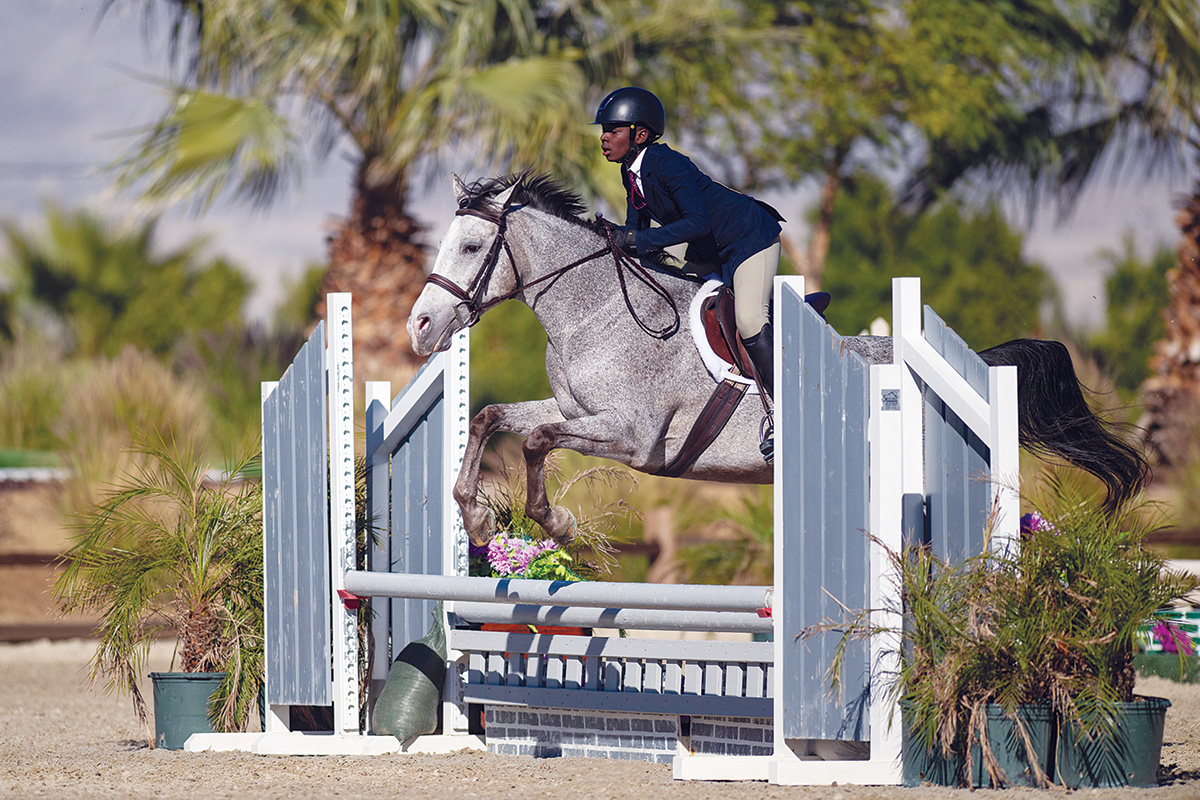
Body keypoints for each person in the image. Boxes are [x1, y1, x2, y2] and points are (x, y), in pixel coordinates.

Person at [594, 86, 783, 398]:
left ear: (640, 136)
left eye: (613, 130)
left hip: (748, 239)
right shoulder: (630, 172)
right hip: (709, 250)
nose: (604, 137)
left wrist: (637, 239)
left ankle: (785, 406)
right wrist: (615, 241)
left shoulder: (668, 163)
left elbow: (696, 222)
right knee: (684, 305)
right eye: (604, 130)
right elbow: (636, 229)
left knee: (749, 321)